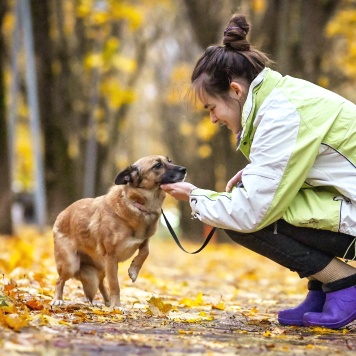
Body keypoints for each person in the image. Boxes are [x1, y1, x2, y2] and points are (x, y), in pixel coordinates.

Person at [161, 13, 356, 329]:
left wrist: (195, 196)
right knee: (241, 205)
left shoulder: (281, 115)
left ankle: (343, 282)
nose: (212, 119)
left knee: (240, 219)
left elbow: (253, 212)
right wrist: (252, 174)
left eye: (212, 107)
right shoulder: (279, 101)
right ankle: (321, 288)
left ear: (236, 91)